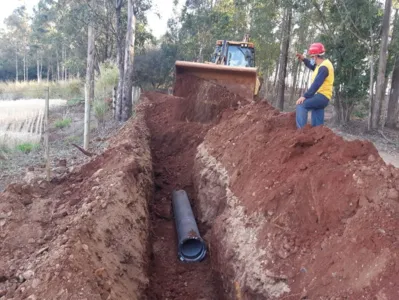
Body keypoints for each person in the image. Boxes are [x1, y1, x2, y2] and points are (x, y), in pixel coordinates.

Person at [295, 43, 334, 129]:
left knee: (301, 105)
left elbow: (316, 84)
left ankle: (301, 133)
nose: (311, 58)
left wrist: (304, 96)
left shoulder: (324, 67)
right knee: (317, 127)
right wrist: (303, 59)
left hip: (322, 96)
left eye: (312, 56)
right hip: (322, 97)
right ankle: (318, 137)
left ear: (316, 56)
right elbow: (311, 65)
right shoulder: (320, 65)